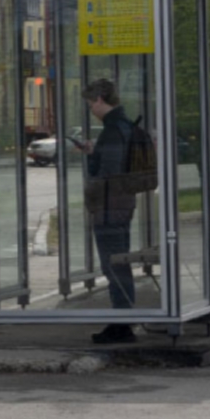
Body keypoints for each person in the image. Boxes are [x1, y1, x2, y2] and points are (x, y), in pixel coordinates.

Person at [78, 78, 138, 344]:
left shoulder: (113, 130)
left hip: (110, 208)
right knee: (118, 263)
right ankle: (122, 321)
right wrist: (94, 151)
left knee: (113, 265)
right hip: (121, 205)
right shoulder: (123, 126)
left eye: (91, 104)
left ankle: (122, 324)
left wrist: (93, 165)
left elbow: (108, 175)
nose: (91, 108)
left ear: (100, 100)